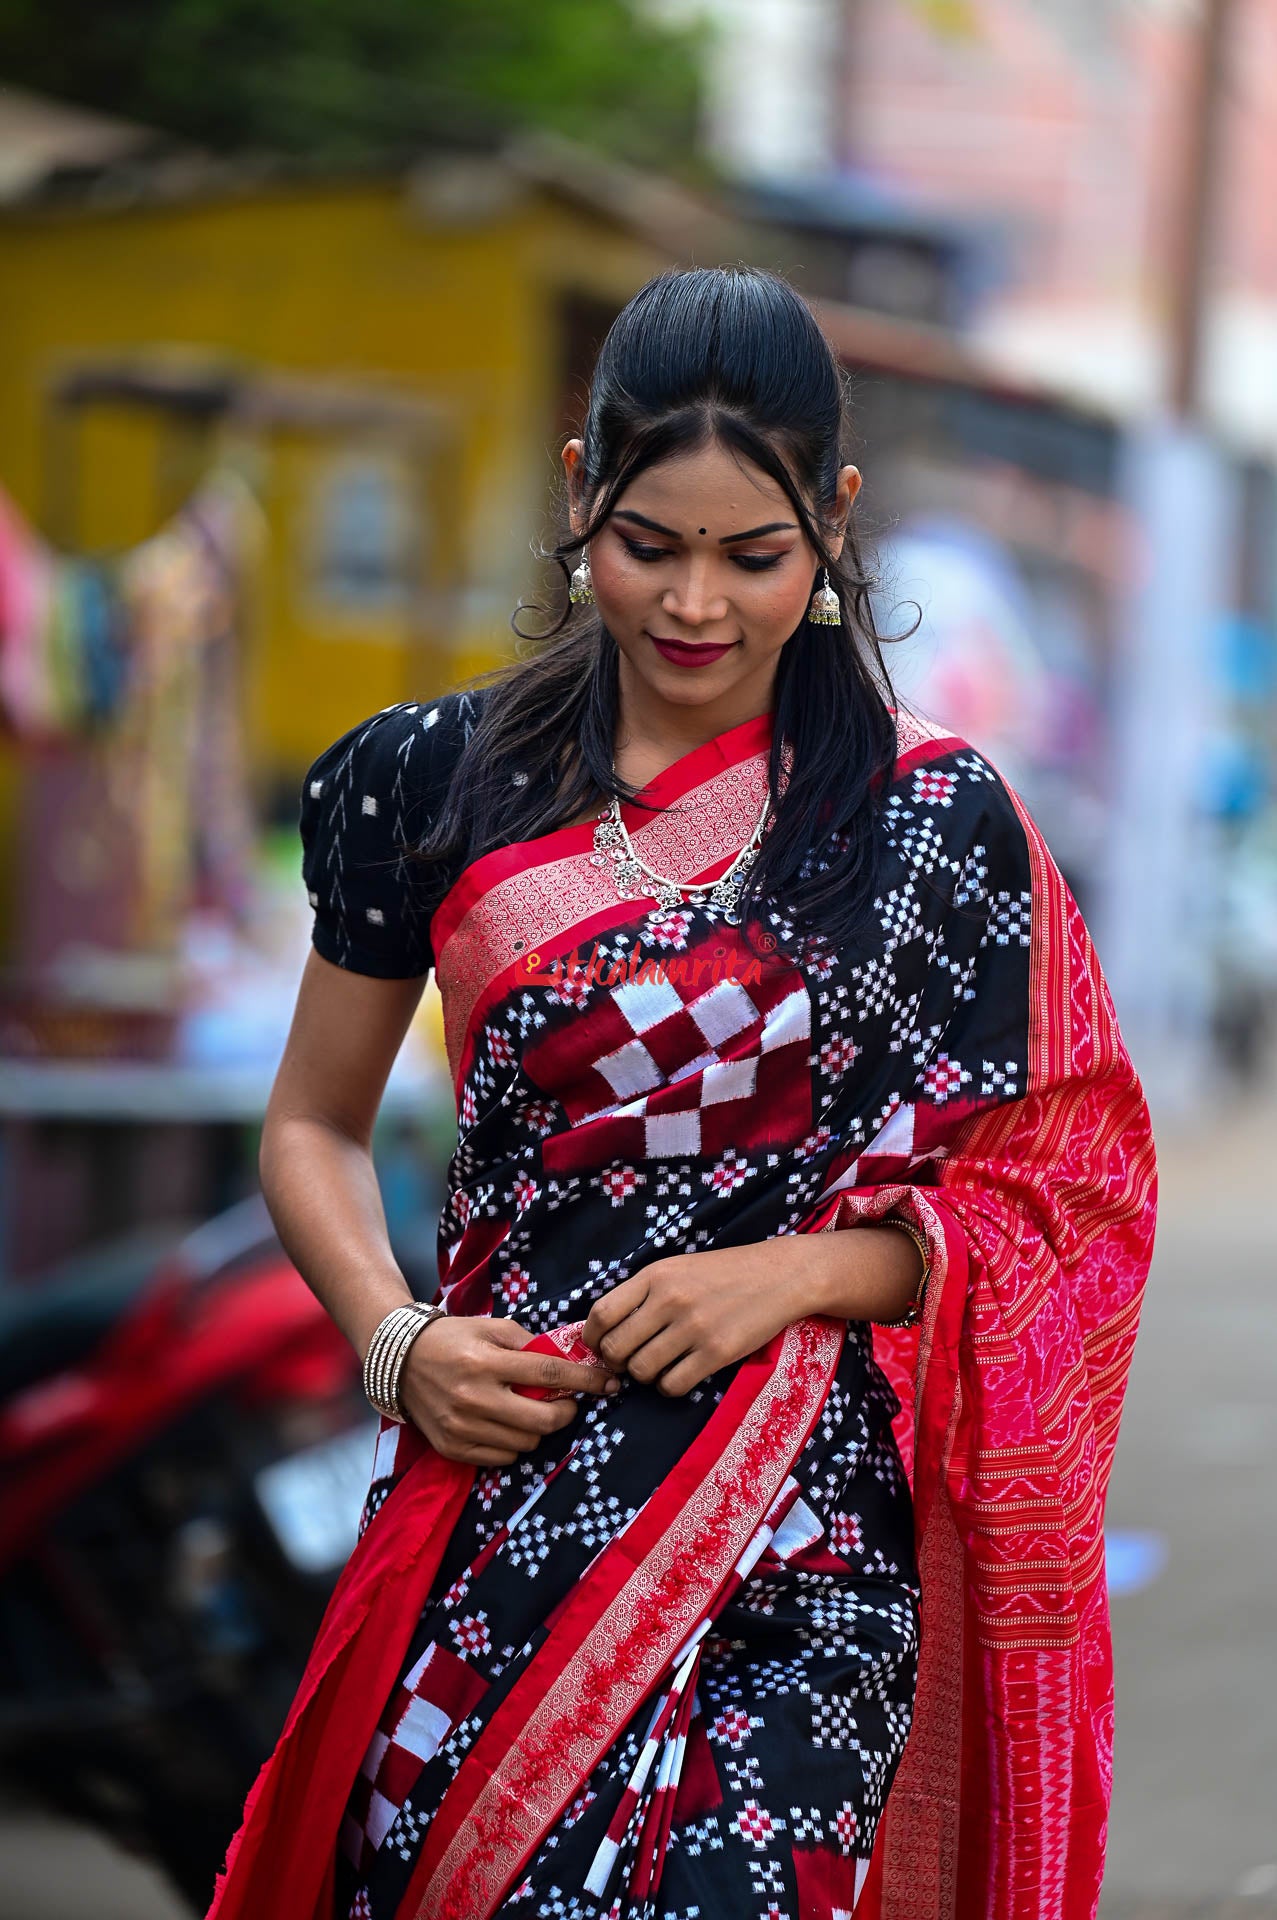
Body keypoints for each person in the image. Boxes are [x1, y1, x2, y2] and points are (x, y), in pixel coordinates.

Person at [208, 267, 1157, 1920]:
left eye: (753, 556)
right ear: (579, 494)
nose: (694, 606)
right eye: (650, 545)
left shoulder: (936, 824)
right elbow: (310, 1123)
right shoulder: (423, 782)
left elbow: (1068, 1195)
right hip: (505, 1475)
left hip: (809, 1529)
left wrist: (792, 1273)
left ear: (835, 524)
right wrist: (395, 1340)